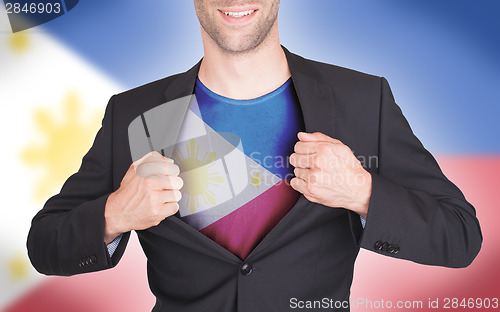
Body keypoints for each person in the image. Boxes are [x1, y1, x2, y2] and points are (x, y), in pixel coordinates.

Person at [27, 1, 482, 311]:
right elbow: (45, 245)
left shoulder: (363, 100)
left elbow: (460, 236)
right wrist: (114, 214)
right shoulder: (136, 114)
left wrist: (363, 191)